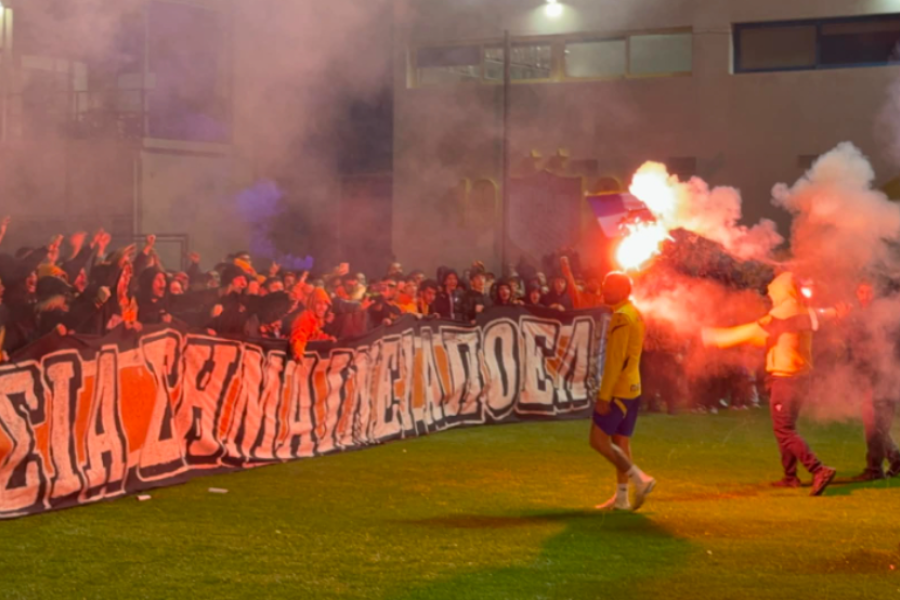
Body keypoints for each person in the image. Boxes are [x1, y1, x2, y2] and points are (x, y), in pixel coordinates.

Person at [702, 272, 837, 496]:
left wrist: (716, 338)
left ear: (782, 290)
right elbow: (823, 314)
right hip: (801, 378)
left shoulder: (781, 314)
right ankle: (790, 477)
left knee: (784, 430)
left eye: (773, 292)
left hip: (785, 379)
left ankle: (818, 469)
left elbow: (752, 331)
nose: (771, 296)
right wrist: (837, 311)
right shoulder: (805, 311)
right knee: (786, 429)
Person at [590, 272, 656, 512]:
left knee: (597, 440)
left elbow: (615, 361)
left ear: (621, 290)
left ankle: (640, 478)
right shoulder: (634, 312)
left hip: (619, 390)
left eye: (608, 286)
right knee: (620, 441)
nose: (603, 289)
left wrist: (604, 396)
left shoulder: (621, 317)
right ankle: (621, 498)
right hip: (633, 387)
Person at [846, 281, 900, 481]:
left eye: (869, 291)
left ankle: (874, 469)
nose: (865, 296)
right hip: (871, 376)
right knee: (876, 423)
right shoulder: (861, 315)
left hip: (881, 376)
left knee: (874, 425)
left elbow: (869, 344)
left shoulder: (880, 315)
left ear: (876, 293)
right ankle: (895, 458)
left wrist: (846, 323)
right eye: (861, 291)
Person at [290, 287, 336, 358]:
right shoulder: (305, 316)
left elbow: (315, 335)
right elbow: (298, 336)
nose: (322, 307)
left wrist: (327, 338)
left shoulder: (317, 320)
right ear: (312, 303)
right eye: (319, 303)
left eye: (325, 304)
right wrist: (298, 353)